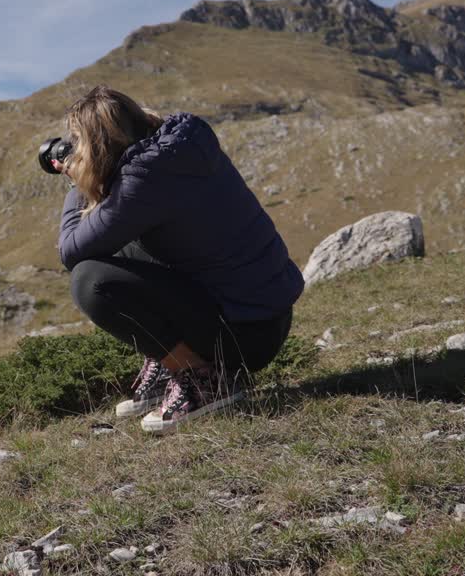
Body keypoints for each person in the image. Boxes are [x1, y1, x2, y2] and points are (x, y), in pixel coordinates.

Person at [53, 85, 304, 434]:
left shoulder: (143, 181)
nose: (75, 152)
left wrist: (76, 183)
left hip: (245, 337)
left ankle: (200, 379)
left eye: (79, 143)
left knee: (90, 281)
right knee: (121, 255)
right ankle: (172, 363)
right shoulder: (180, 146)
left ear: (97, 146)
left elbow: (71, 252)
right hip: (265, 315)